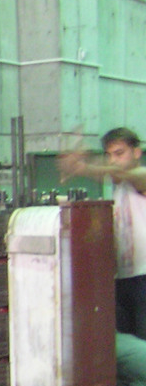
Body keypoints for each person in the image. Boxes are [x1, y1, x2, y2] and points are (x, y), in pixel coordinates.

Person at [58, 127, 146, 339]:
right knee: (128, 343)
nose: (113, 161)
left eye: (119, 153)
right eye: (109, 155)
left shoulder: (141, 177)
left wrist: (82, 167)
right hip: (123, 279)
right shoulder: (119, 191)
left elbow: (121, 173)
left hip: (143, 278)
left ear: (137, 153)